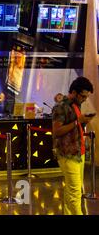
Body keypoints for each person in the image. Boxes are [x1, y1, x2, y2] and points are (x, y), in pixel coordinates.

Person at [52, 76, 94, 215]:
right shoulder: (61, 106)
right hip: (68, 154)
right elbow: (57, 131)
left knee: (72, 190)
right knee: (76, 192)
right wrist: (78, 122)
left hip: (78, 152)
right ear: (74, 92)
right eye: (83, 96)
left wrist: (83, 122)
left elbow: (74, 127)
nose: (84, 99)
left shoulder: (75, 105)